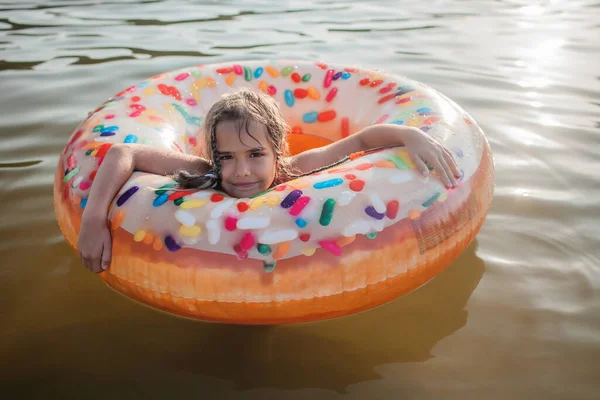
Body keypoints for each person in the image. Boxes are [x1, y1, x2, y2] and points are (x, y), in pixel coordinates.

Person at [78, 88, 460, 273]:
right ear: (213, 156)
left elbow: (361, 140)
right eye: (226, 157)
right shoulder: (202, 172)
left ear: (277, 150)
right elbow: (121, 154)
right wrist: (95, 218)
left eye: (256, 154)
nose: (241, 171)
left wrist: (412, 135)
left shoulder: (294, 170)